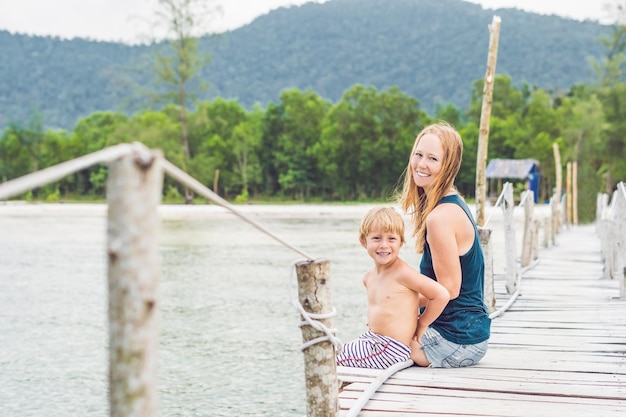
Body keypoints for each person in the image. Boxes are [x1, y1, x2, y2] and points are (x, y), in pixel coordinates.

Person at [397, 121, 491, 368]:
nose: (421, 164)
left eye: (432, 159)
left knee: (368, 350)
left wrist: (408, 315)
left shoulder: (440, 217)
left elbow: (449, 289)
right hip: (470, 333)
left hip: (455, 341)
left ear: (448, 167)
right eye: (418, 154)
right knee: (379, 328)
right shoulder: (454, 202)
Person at [336, 206, 450, 369]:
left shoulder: (402, 273)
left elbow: (441, 295)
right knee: (333, 349)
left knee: (331, 358)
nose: (384, 245)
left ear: (401, 242)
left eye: (391, 239)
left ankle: (338, 392)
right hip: (373, 339)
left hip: (391, 349)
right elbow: (395, 303)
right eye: (376, 238)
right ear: (363, 241)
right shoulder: (368, 277)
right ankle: (343, 393)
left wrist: (422, 323)